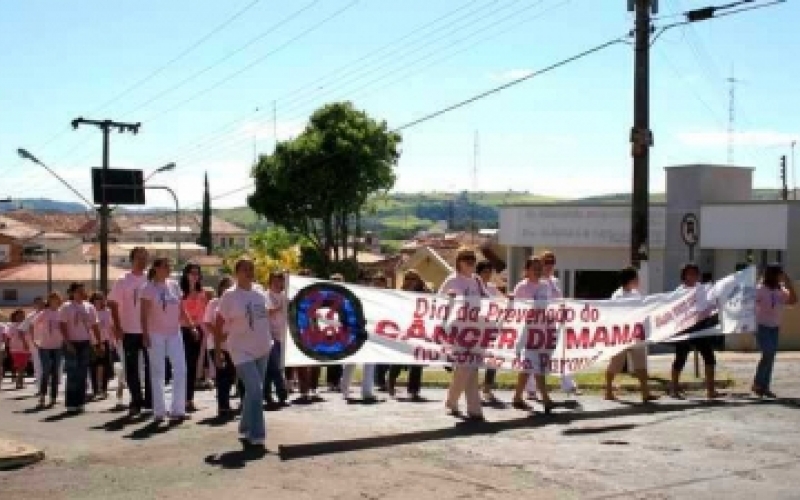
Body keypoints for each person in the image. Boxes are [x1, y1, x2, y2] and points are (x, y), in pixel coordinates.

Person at [216, 258, 274, 447]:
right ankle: (258, 434)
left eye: (252, 269)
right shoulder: (229, 296)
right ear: (237, 273)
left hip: (263, 348)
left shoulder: (259, 292)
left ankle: (245, 428)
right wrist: (217, 351)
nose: (250, 272)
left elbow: (265, 314)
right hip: (240, 350)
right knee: (256, 390)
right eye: (245, 269)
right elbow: (219, 322)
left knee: (252, 392)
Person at [141, 258, 193, 422]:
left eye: (169, 266)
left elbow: (181, 308)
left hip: (174, 332)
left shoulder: (174, 285)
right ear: (156, 269)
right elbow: (143, 315)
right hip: (155, 333)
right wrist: (145, 334)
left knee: (181, 369)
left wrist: (190, 325)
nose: (168, 268)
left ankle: (178, 409)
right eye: (165, 266)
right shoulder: (148, 288)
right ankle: (159, 411)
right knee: (158, 372)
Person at [440, 247, 485, 421]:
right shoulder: (451, 280)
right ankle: (461, 404)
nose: (470, 262)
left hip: (475, 328)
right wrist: (449, 298)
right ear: (459, 262)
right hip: (457, 329)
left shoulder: (477, 280)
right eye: (466, 259)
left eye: (472, 259)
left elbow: (488, 298)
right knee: (465, 367)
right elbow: (437, 302)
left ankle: (469, 406)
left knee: (471, 367)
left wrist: (507, 300)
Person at [108, 246, 152, 417]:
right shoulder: (123, 280)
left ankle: (150, 402)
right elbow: (113, 303)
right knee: (132, 369)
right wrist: (118, 327)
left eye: (145, 258)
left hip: (149, 330)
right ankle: (136, 400)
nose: (142, 261)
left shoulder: (151, 279)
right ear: (132, 260)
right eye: (139, 258)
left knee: (151, 367)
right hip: (130, 331)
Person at [604, 266, 657, 403]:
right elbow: (615, 314)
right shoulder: (617, 295)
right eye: (636, 278)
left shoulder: (636, 294)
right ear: (630, 279)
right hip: (621, 336)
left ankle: (645, 393)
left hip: (636, 334)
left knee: (641, 365)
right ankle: (608, 391)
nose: (638, 280)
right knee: (616, 364)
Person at [670, 263, 721, 400]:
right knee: (680, 358)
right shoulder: (679, 291)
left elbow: (711, 302)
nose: (692, 276)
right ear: (684, 275)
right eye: (689, 273)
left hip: (700, 328)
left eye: (695, 273)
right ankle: (674, 389)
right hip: (684, 329)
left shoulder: (703, 289)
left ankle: (711, 391)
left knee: (709, 357)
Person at [510, 256, 555, 413]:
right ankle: (546, 399)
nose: (537, 269)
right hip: (526, 333)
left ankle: (517, 397)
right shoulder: (521, 287)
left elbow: (550, 306)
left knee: (529, 366)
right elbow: (513, 310)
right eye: (534, 267)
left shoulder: (545, 286)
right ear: (527, 270)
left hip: (542, 332)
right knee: (534, 364)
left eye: (539, 267)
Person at [752, 263, 797, 398]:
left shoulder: (780, 290)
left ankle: (764, 387)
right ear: (772, 275)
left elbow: (793, 300)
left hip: (774, 327)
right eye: (779, 274)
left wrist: (788, 283)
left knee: (770, 356)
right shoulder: (760, 289)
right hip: (761, 326)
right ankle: (758, 383)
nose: (780, 276)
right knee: (768, 352)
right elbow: (749, 303)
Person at [59, 283, 102, 413]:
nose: (81, 293)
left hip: (85, 342)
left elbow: (95, 325)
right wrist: (67, 342)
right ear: (72, 293)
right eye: (78, 291)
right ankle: (71, 403)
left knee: (82, 373)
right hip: (71, 342)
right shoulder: (66, 307)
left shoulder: (89, 307)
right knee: (72, 373)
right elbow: (62, 325)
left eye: (83, 290)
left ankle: (80, 402)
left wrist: (99, 343)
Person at [341, 273, 383, 402]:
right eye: (364, 280)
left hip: (370, 332)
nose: (367, 283)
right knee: (351, 361)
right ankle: (345, 389)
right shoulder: (352, 295)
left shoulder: (376, 297)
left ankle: (367, 391)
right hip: (355, 332)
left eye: (368, 280)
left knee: (370, 361)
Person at [388, 269, 428, 401]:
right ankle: (391, 383)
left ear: (419, 280)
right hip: (403, 331)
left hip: (418, 332)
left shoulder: (425, 295)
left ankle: (413, 390)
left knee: (417, 361)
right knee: (399, 359)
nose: (410, 281)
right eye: (408, 279)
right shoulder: (400, 294)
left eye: (413, 279)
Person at [203, 275, 237, 416]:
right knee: (222, 374)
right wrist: (218, 335)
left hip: (232, 344)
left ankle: (226, 402)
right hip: (216, 344)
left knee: (230, 375)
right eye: (226, 286)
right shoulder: (214, 303)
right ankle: (223, 406)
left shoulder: (235, 304)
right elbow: (207, 322)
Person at [179, 263, 207, 413]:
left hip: (198, 331)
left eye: (197, 273)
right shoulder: (180, 292)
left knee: (192, 366)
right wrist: (191, 326)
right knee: (182, 365)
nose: (195, 276)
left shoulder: (202, 292)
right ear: (186, 274)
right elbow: (180, 313)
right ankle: (181, 399)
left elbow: (203, 313)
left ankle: (189, 399)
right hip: (183, 330)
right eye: (192, 273)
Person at [475, 260, 503, 403]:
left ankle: (487, 388)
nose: (487, 274)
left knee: (492, 359)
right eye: (484, 271)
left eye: (489, 272)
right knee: (474, 359)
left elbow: (502, 302)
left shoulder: (492, 288)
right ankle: (473, 390)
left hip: (490, 329)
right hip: (475, 328)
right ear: (478, 273)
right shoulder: (473, 287)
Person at [264, 271, 289, 408]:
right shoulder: (265, 295)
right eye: (275, 280)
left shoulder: (285, 295)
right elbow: (267, 311)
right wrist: (281, 306)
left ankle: (267, 394)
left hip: (282, 336)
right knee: (275, 366)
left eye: (280, 280)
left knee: (271, 368)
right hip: (269, 336)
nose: (278, 283)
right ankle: (282, 393)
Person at [35, 292, 64, 408]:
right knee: (46, 371)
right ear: (49, 300)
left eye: (56, 299)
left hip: (58, 346)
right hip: (45, 346)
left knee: (55, 372)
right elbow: (34, 325)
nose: (54, 301)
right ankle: (42, 395)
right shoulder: (44, 313)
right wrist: (36, 340)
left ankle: (53, 397)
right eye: (52, 299)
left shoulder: (61, 312)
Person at [90, 292, 114, 400]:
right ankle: (95, 390)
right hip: (93, 342)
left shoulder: (107, 312)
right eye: (96, 299)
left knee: (105, 366)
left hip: (105, 341)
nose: (98, 301)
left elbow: (110, 327)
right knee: (94, 366)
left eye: (100, 299)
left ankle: (104, 389)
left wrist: (112, 340)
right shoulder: (90, 312)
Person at [19, 297, 44, 394]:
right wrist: (25, 343)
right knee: (38, 366)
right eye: (37, 303)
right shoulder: (31, 316)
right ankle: (40, 388)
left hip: (49, 344)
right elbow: (21, 330)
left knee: (48, 366)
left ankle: (46, 386)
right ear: (34, 305)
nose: (39, 305)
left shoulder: (48, 313)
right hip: (35, 345)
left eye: (41, 303)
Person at [6, 310, 31, 390]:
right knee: (20, 366)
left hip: (26, 348)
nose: (21, 317)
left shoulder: (27, 325)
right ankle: (19, 381)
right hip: (15, 348)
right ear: (15, 316)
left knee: (23, 366)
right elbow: (8, 337)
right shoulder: (12, 325)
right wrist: (7, 347)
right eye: (19, 315)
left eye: (22, 315)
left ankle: (20, 381)